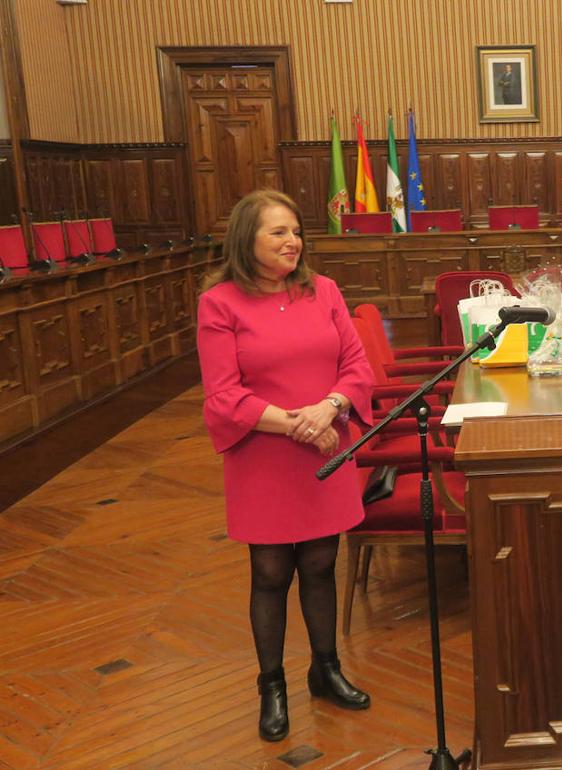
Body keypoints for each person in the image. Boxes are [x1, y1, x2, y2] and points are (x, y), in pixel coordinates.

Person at [197, 189, 375, 742]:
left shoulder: (323, 290)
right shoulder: (220, 303)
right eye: (278, 231)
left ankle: (326, 669)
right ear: (245, 239)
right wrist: (297, 422)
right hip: (264, 458)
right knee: (270, 574)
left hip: (326, 447)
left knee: (322, 564)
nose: (292, 240)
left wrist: (330, 408)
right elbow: (223, 395)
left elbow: (356, 364)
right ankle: (271, 685)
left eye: (295, 230)